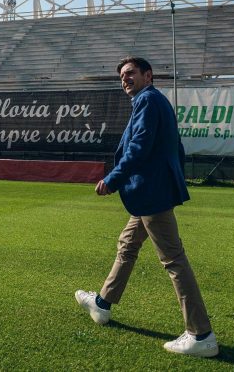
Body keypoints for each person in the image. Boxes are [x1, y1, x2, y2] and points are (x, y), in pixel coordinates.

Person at [75, 56, 218, 358]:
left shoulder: (148, 100)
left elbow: (138, 146)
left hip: (152, 192)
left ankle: (201, 334)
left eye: (130, 73)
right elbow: (175, 147)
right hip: (152, 191)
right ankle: (102, 304)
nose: (125, 79)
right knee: (127, 245)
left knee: (173, 259)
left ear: (148, 75)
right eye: (121, 76)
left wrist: (113, 179)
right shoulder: (152, 101)